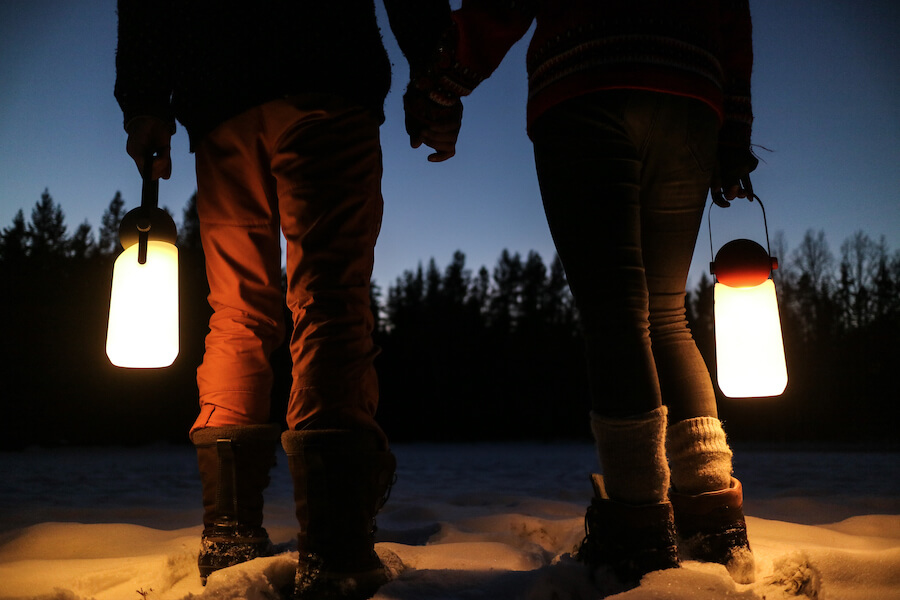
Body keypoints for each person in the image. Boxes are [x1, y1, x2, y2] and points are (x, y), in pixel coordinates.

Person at [403, 0, 759, 588]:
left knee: (618, 316)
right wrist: (735, 117)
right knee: (668, 314)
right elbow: (733, 12)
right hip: (690, 87)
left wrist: (443, 84)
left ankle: (638, 530)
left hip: (586, 78)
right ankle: (714, 517)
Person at [114, 2, 450, 598]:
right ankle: (334, 543)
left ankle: (230, 536)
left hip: (220, 96)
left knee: (238, 312)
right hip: (324, 71)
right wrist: (434, 71)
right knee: (329, 300)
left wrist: (145, 99)